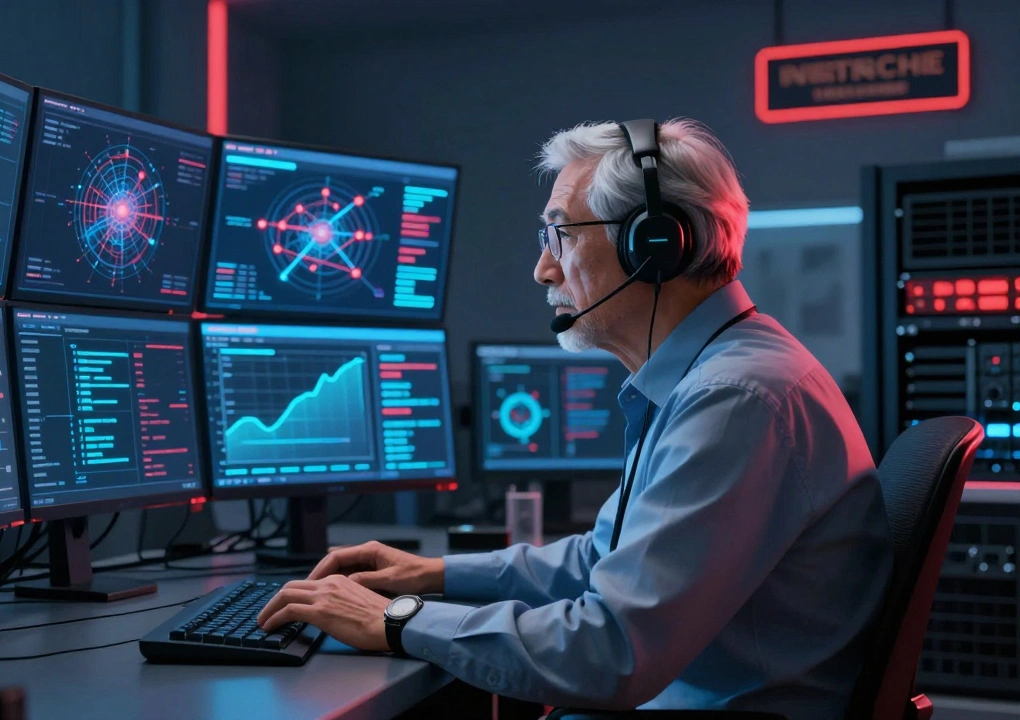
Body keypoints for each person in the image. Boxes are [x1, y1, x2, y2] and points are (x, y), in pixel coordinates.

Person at [257, 118, 892, 717]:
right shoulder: (718, 374)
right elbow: (605, 557)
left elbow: (610, 650)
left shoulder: (736, 398)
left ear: (654, 246)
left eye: (560, 233)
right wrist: (435, 575)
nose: (543, 267)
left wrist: (398, 618)